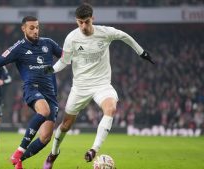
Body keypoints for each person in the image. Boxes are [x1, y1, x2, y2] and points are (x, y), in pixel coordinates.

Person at [43, 3, 154, 169]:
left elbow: (125, 36)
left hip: (102, 85)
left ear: (92, 19)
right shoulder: (71, 38)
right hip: (80, 88)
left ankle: (93, 150)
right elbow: (64, 61)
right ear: (76, 21)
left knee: (110, 109)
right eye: (80, 22)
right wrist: (51, 69)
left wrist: (141, 52)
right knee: (65, 125)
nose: (83, 26)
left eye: (86, 21)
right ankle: (53, 154)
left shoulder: (105, 32)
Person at [0, 16, 62, 169]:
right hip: (32, 88)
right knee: (43, 111)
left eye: (37, 27)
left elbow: (65, 57)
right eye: (31, 27)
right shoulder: (18, 48)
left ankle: (20, 160)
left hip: (50, 94)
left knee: (45, 137)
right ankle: (19, 151)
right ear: (23, 29)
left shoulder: (48, 43)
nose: (35, 30)